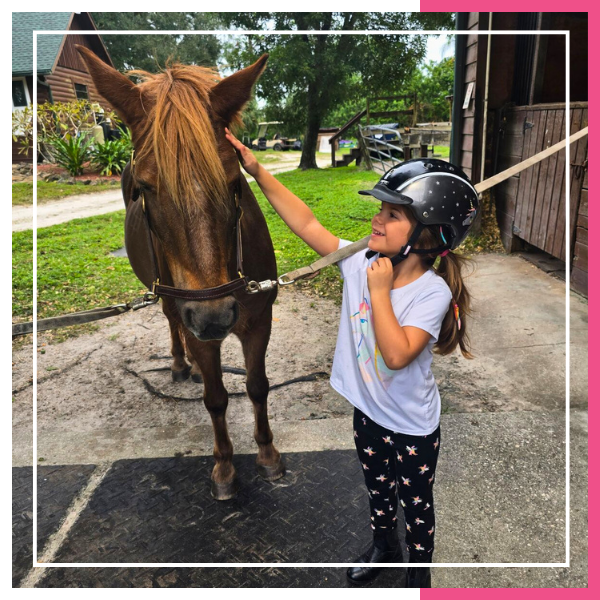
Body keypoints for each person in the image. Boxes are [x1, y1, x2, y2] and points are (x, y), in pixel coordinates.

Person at [225, 128, 478, 588]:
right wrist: (257, 170)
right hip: (369, 415)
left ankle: (417, 576)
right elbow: (307, 225)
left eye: (393, 213)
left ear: (429, 235)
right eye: (380, 208)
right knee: (379, 492)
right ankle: (385, 547)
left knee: (417, 508)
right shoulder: (358, 261)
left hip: (411, 426)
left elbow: (398, 354)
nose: (377, 219)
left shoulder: (431, 292)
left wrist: (379, 291)